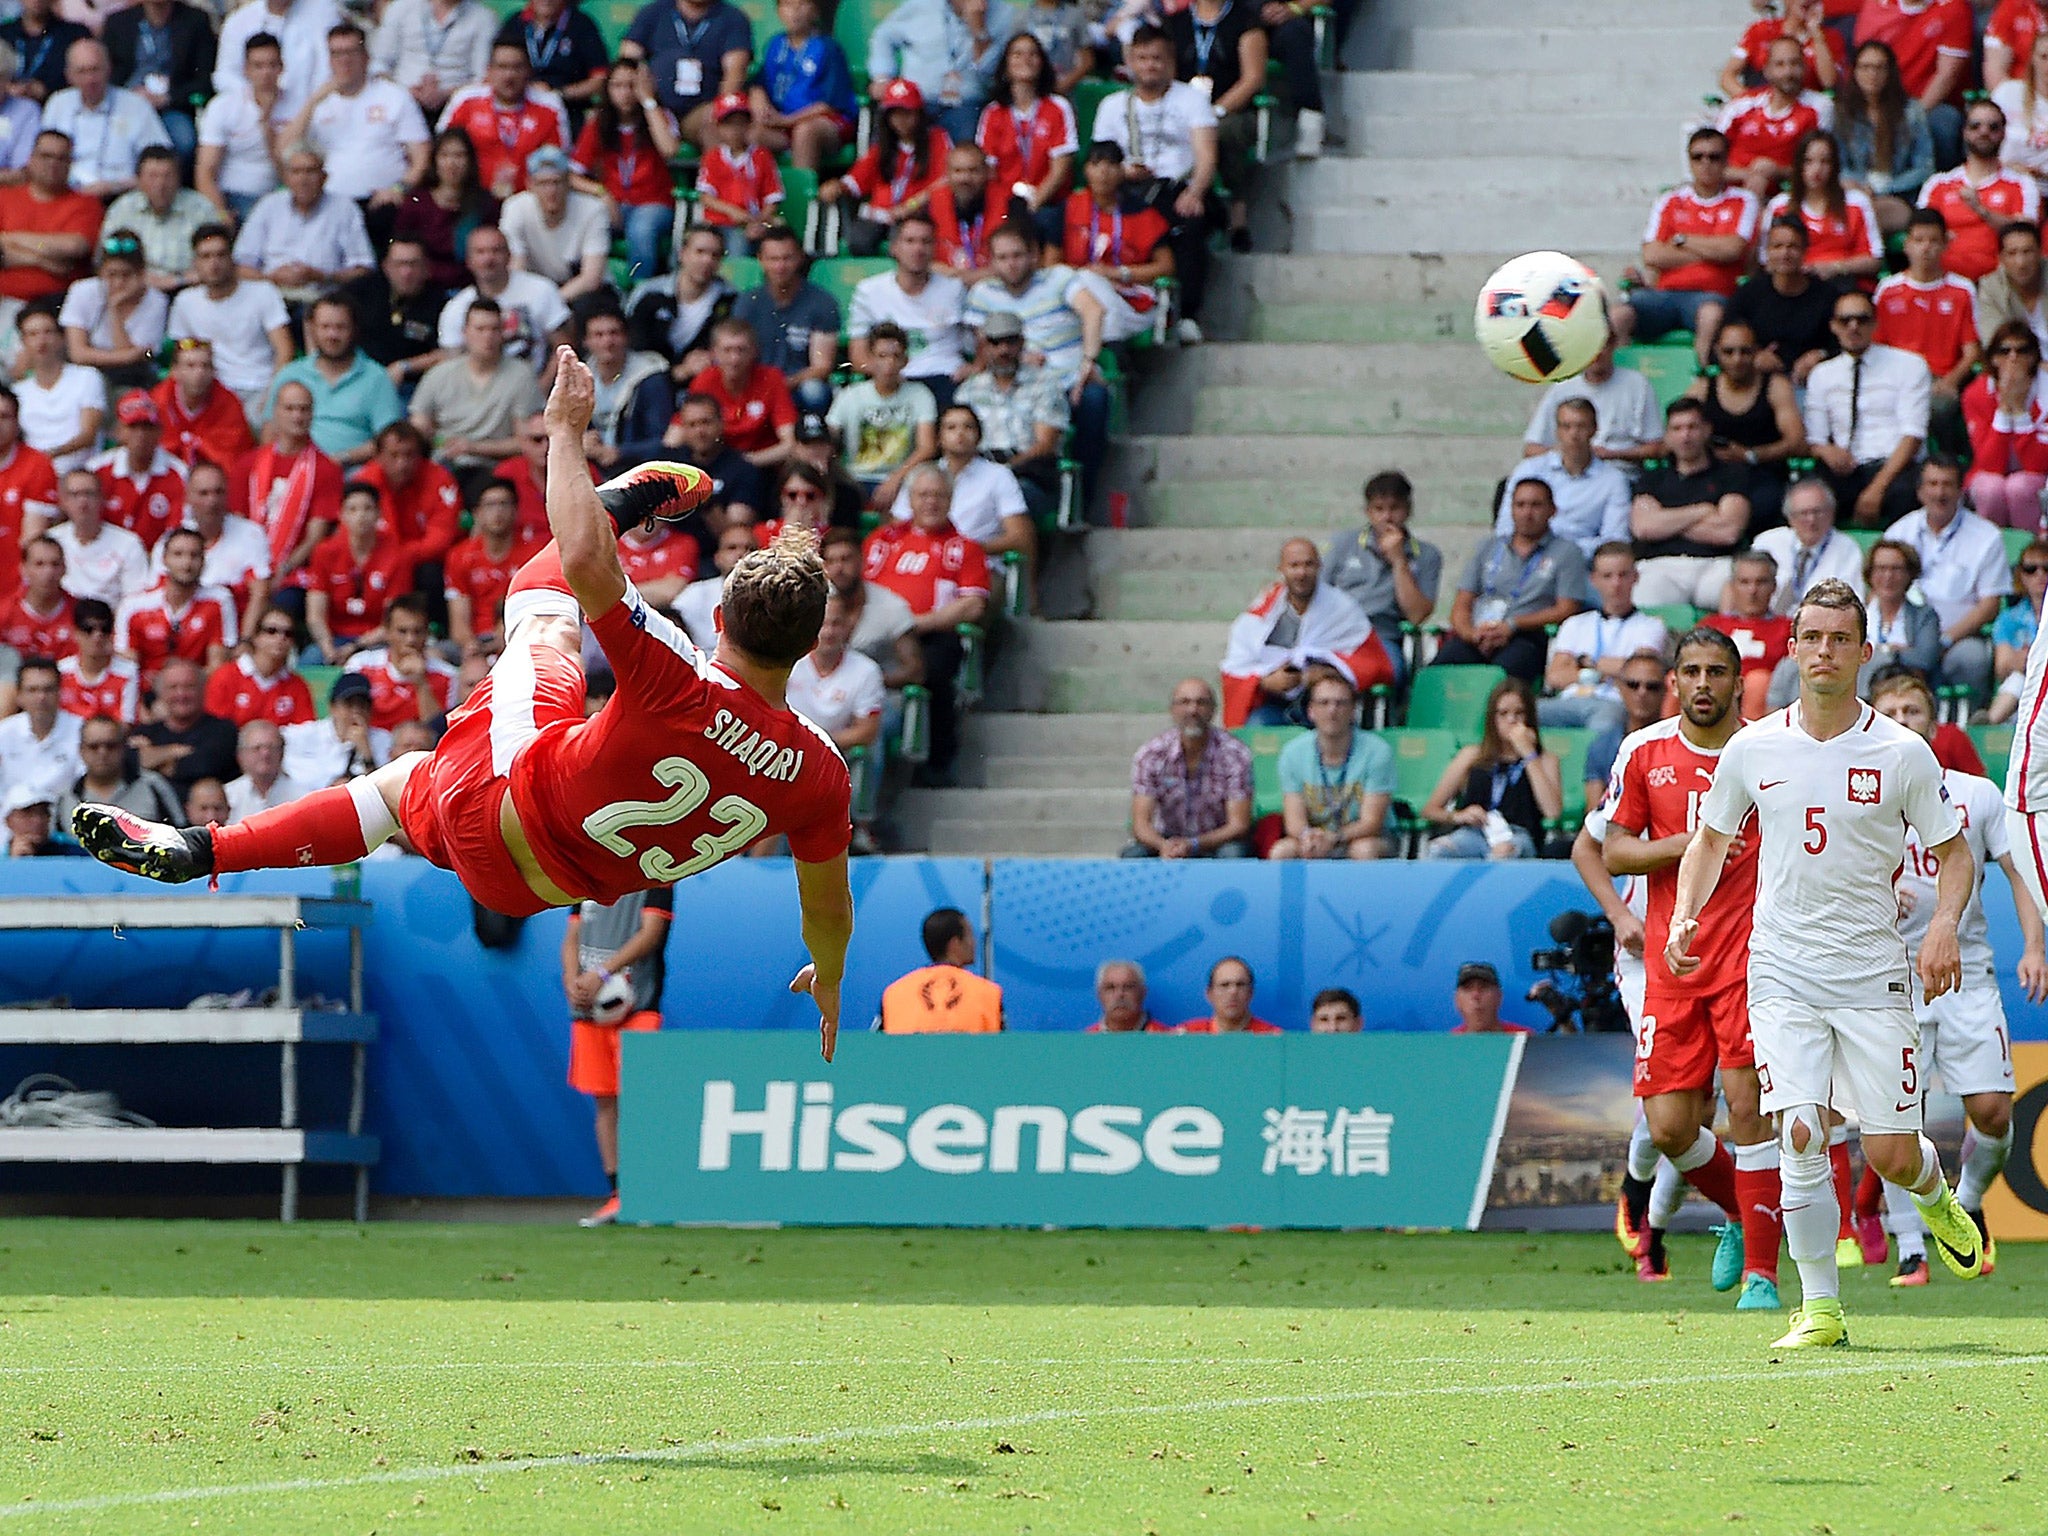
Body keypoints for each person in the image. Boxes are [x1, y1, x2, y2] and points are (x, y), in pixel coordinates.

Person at [76, 360, 857, 1058]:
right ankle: (199, 849)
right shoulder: (823, 772)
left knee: (540, 597)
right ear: (810, 641)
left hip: (503, 796)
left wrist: (565, 433)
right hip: (529, 890)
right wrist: (827, 974)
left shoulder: (680, 677)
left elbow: (579, 560)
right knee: (398, 783)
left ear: (718, 617)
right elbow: (826, 906)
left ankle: (622, 497)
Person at [1671, 578, 1985, 1349]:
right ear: (1791, 648)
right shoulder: (1753, 747)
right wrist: (1685, 912)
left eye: (1839, 639)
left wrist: (1945, 922)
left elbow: (1953, 853)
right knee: (1803, 1134)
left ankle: (1936, 1194)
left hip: (1872, 971)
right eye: (1811, 637)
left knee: (1889, 1150)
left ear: (1863, 652)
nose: (1823, 651)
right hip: (1780, 968)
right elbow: (1711, 840)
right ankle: (1821, 1310)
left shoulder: (1902, 752)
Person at [1592, 624, 1780, 1307]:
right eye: (1691, 672)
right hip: (1674, 962)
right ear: (1676, 681)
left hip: (1751, 962)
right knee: (1671, 1127)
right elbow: (1613, 851)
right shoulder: (1644, 751)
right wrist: (1690, 844)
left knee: (1747, 1110)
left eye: (1716, 672)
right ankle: (1744, 1210)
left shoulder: (1768, 749)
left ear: (1738, 682)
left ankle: (1762, 1274)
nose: (1703, 684)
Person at [1872, 670, 2045, 1282]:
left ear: (1932, 722)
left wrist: (2033, 944)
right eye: (1890, 711)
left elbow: (2019, 869)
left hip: (1968, 974)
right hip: (1889, 981)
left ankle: (1966, 1205)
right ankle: (1912, 1248)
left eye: (1913, 710)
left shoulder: (1976, 795)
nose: (1903, 721)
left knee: (1995, 1114)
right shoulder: (1860, 799)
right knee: (1895, 1118)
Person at [1087, 23, 1219, 338]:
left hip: (1177, 188)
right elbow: (1099, 159)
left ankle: (1187, 313)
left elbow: (1207, 156)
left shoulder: (1191, 100)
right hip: (1126, 188)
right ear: (1130, 62)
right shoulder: (1113, 106)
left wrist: (1196, 192)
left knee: (1190, 221)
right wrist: (1124, 173)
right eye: (1143, 58)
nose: (1150, 65)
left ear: (1170, 62)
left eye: (1157, 58)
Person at [860, 463, 985, 779]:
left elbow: (972, 605)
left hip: (930, 634)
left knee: (935, 667)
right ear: (910, 499)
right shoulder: (881, 541)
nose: (931, 502)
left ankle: (936, 763)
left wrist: (914, 624)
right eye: (923, 495)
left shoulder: (963, 548)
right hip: (872, 632)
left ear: (951, 499)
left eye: (939, 495)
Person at [561, 880, 673, 1225]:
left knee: (640, 1098)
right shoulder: (587, 873)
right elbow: (572, 935)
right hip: (590, 1011)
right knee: (604, 1099)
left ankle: (649, 1193)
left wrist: (602, 973)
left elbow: (651, 933)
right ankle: (617, 1195)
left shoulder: (658, 873)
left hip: (637, 1003)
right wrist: (571, 981)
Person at [1618, 127, 1758, 366]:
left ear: (1726, 160)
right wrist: (1712, 253)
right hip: (1664, 295)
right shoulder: (1669, 201)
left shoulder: (1743, 200)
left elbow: (1733, 250)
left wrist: (1684, 241)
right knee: (1617, 317)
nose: (1706, 163)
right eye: (1698, 157)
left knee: (1711, 315)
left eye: (1714, 157)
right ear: (1689, 161)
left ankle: (1701, 380)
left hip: (1712, 297)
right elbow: (1652, 255)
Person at [1220, 538, 1392, 727]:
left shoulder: (1342, 608)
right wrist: (1265, 681)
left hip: (1327, 706)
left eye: (1308, 565)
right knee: (1257, 727)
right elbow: (1238, 664)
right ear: (1281, 569)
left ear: (1319, 567)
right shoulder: (1265, 610)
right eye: (1294, 566)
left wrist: (1326, 673)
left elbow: (1372, 663)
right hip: (1274, 705)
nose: (1301, 573)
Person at [1435, 478, 1591, 684]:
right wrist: (1472, 634)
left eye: (1536, 505)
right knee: (1438, 672)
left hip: (1527, 635)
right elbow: (1462, 604)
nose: (1527, 513)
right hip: (1479, 634)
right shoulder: (1487, 547)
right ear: (1511, 509)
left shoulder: (1567, 552)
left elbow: (1567, 608)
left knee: (1502, 677)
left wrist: (1513, 625)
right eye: (1520, 505)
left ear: (1552, 510)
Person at [1884, 456, 2011, 704]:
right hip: (1904, 637)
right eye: (1932, 484)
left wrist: (1944, 640)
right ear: (1920, 491)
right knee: (1878, 658)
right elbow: (1879, 591)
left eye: (1947, 484)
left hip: (1957, 638)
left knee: (1972, 658)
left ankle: (1966, 727)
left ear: (1960, 490)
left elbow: (1989, 606)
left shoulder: (1987, 537)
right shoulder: (1899, 532)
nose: (1939, 493)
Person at [1802, 288, 1930, 527]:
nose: (1853, 326)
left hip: (1895, 467)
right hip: (1845, 467)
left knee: (1908, 494)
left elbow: (1913, 436)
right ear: (1833, 326)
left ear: (1875, 324)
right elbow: (1815, 439)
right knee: (1809, 497)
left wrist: (1876, 489)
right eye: (1845, 320)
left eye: (1862, 319)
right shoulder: (1822, 374)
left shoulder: (1909, 365)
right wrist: (1826, 451)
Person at [287, 21, 432, 216]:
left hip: (382, 202)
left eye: (351, 52)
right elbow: (284, 149)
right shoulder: (318, 101)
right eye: (337, 53)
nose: (344, 60)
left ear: (366, 57)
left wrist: (399, 189)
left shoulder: (394, 96)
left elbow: (421, 158)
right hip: (329, 202)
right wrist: (313, 102)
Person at [1681, 318, 1805, 528]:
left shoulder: (1775, 386)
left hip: (1763, 477)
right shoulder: (1701, 389)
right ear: (1717, 352)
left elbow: (1797, 442)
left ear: (1757, 351)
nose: (1737, 359)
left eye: (1745, 351)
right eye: (1729, 352)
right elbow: (1676, 434)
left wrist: (1750, 455)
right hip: (1713, 476)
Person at [1318, 470, 1438, 685]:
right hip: (1337, 632)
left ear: (1408, 510)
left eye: (1395, 508)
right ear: (1368, 512)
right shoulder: (1341, 544)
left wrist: (1399, 560)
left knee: (1391, 672)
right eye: (1379, 509)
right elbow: (1316, 593)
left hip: (1382, 637)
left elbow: (1417, 615)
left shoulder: (1428, 555)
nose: (1387, 517)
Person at [1631, 398, 1753, 610]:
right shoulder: (1652, 478)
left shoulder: (1732, 474)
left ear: (1707, 430)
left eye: (1692, 427)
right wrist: (1703, 511)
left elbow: (1729, 531)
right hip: (1661, 566)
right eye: (1677, 428)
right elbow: (1643, 528)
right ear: (1667, 435)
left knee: (1736, 592)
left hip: (1714, 564)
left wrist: (1667, 523)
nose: (1685, 436)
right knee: (1643, 595)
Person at [231, 379, 339, 614]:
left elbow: (315, 537)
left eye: (304, 409)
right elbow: (236, 523)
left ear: (312, 414)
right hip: (246, 565)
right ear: (275, 413)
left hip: (292, 573)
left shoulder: (326, 469)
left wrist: (282, 569)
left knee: (281, 604)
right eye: (290, 408)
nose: (297, 416)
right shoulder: (247, 464)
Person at [1420, 677, 1559, 861]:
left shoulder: (1545, 760)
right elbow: (1430, 810)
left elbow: (1553, 811)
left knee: (1502, 854)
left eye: (1519, 713)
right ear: (1492, 718)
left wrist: (1528, 754)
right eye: (1503, 714)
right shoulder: (1472, 755)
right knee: (1439, 849)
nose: (1512, 720)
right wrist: (1459, 816)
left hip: (1517, 833)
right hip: (1476, 831)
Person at [571, 59, 682, 286]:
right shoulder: (598, 124)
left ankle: (639, 292)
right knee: (587, 220)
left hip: (653, 203)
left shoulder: (660, 116)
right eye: (617, 86)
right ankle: (596, 287)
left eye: (632, 86)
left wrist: (648, 101)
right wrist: (600, 192)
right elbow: (572, 175)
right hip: (612, 201)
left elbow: (670, 149)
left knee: (641, 230)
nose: (625, 93)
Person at [412, 300, 548, 484]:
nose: (488, 336)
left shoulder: (521, 376)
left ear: (503, 333)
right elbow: (418, 426)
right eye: (480, 329)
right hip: (444, 465)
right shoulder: (439, 374)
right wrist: (438, 442)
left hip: (497, 469)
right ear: (465, 332)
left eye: (494, 329)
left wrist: (473, 448)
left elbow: (525, 441)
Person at [1539, 542, 1667, 736]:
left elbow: (1638, 672)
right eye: (1607, 576)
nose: (1616, 584)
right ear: (1594, 580)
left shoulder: (1650, 626)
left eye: (1623, 575)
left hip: (1614, 702)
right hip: (1569, 701)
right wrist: (1601, 672)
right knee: (1522, 712)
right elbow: (1555, 676)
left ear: (1635, 577)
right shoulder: (1575, 624)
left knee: (1605, 721)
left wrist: (1582, 663)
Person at [167, 224, 295, 418]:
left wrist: (270, 396)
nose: (214, 263)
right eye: (206, 257)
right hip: (210, 391)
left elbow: (285, 350)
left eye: (220, 255)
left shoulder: (263, 292)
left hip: (259, 387)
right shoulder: (185, 302)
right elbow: (180, 355)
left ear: (232, 259)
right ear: (195, 263)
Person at [848, 212, 972, 410]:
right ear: (894, 247)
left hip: (946, 377)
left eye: (926, 242)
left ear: (934, 248)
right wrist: (889, 374)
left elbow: (979, 340)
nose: (918, 249)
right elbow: (858, 357)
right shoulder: (870, 291)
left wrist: (973, 368)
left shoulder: (954, 289)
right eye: (910, 241)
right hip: (894, 381)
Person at [230, 140, 375, 305]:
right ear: (286, 178)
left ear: (324, 177)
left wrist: (322, 276)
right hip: (271, 297)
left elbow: (363, 269)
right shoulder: (268, 206)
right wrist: (271, 278)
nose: (303, 179)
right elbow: (240, 267)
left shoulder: (345, 209)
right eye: (296, 172)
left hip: (323, 300)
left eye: (310, 171)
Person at [820, 77, 952, 258]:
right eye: (894, 114)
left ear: (919, 114)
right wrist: (837, 186)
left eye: (907, 113)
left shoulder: (938, 139)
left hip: (916, 215)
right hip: (880, 215)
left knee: (901, 242)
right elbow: (857, 178)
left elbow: (945, 181)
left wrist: (911, 205)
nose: (901, 120)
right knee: (858, 240)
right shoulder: (883, 146)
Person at [265, 296, 404, 468]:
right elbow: (270, 431)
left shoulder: (377, 378)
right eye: (325, 327)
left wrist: (338, 460)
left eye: (341, 327)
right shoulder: (290, 374)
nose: (332, 335)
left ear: (355, 329)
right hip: (293, 469)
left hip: (352, 473)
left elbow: (389, 441)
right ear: (312, 329)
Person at [1268, 671, 1393, 861]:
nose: (1332, 710)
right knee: (1281, 851)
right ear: (1311, 711)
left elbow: (1371, 823)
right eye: (1324, 703)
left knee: (1363, 850)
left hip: (1364, 837)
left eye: (1341, 703)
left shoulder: (1377, 751)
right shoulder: (1293, 753)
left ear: (1353, 711)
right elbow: (1294, 822)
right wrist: (1308, 838)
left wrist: (1334, 838)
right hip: (1314, 838)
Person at [1123, 676, 1250, 859]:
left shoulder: (1235, 754)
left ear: (1213, 709)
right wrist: (1163, 846)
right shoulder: (1151, 754)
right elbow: (1140, 824)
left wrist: (1194, 844)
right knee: (1133, 856)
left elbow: (1238, 824)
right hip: (1167, 839)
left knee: (1234, 854)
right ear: (1172, 710)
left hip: (1216, 841)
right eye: (1184, 702)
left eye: (1201, 703)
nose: (1193, 710)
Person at [887, 404, 1030, 567]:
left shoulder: (999, 475)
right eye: (951, 428)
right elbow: (898, 527)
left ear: (979, 436)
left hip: (979, 563)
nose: (960, 434)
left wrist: (965, 550)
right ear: (939, 438)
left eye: (968, 427)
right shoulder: (922, 475)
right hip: (923, 562)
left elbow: (1019, 536)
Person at [1918, 99, 2038, 283]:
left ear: (2004, 133)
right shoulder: (1938, 183)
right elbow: (1920, 232)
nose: (1984, 132)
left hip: (2002, 281)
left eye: (1993, 127)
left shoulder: (2022, 183)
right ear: (1964, 132)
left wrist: (1981, 210)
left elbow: (2026, 234)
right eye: (1975, 126)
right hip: (1943, 282)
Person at [864, 0, 1015, 144]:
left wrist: (979, 31)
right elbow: (883, 35)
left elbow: (991, 74)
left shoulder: (1004, 14)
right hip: (918, 99)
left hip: (967, 104)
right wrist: (882, 76)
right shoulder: (921, 6)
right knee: (889, 137)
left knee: (966, 154)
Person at [1498, 398, 1632, 561]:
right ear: (1557, 431)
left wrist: (1562, 552)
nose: (1573, 434)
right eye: (1566, 426)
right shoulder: (1529, 470)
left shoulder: (1614, 480)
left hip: (1583, 565)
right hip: (1526, 561)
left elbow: (1615, 541)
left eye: (1581, 426)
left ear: (1594, 429)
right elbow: (1504, 528)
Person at [437, 225, 574, 381]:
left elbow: (563, 347)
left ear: (509, 255)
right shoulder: (456, 308)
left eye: (496, 250)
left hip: (533, 388)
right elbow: (452, 360)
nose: (489, 259)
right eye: (480, 252)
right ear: (469, 260)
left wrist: (541, 391)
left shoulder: (541, 290)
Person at [437, 39, 570, 200]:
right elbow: (443, 150)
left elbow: (557, 161)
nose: (509, 75)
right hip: (471, 201)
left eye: (517, 68)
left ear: (529, 71)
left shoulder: (549, 105)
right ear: (489, 71)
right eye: (502, 67)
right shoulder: (465, 100)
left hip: (529, 201)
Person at [976, 30, 1075, 242]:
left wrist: (1032, 205)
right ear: (1006, 64)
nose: (1026, 60)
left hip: (1048, 203)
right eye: (1017, 54)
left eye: (1033, 54)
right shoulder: (993, 113)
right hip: (1005, 204)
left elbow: (1059, 170)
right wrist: (1007, 207)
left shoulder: (1058, 107)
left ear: (1042, 62)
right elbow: (989, 171)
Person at [826, 320, 935, 509]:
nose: (889, 363)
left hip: (903, 479)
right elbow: (829, 436)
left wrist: (896, 479)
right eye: (882, 356)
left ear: (905, 360)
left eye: (896, 356)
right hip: (855, 478)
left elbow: (926, 447)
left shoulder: (920, 394)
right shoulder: (851, 395)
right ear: (870, 358)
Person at [730, 227, 839, 415]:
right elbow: (736, 353)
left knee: (814, 392)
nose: (780, 266)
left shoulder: (821, 301)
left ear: (800, 258)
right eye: (773, 259)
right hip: (755, 383)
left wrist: (783, 385)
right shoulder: (748, 302)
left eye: (787, 258)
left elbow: (822, 366)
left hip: (798, 384)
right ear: (761, 260)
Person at [41, 38, 169, 198]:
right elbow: (41, 160)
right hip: (65, 196)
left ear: (108, 69)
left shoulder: (136, 106)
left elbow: (162, 163)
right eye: (81, 71)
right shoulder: (58, 103)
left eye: (95, 70)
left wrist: (115, 187)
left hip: (121, 196)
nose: (89, 79)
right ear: (69, 75)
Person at [618, 0, 752, 150]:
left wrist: (718, 110)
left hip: (700, 110)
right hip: (657, 106)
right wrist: (647, 97)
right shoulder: (652, 12)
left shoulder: (732, 17)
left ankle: (717, 172)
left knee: (717, 123)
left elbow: (734, 73)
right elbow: (626, 62)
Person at [304, 481, 414, 665]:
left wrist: (356, 647)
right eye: (352, 509)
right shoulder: (324, 552)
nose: (361, 516)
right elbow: (315, 614)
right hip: (335, 639)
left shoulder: (398, 555)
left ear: (379, 513)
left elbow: (394, 620)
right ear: (341, 514)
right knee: (309, 660)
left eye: (368, 508)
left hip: (377, 641)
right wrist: (328, 648)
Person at [1723, 217, 1841, 388]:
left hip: (1811, 381)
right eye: (1777, 246)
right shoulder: (1749, 293)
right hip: (1758, 382)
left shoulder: (1827, 296)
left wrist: (1821, 355)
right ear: (1768, 251)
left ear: (1804, 251)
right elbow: (1723, 340)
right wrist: (1754, 356)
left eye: (1792, 246)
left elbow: (1841, 344)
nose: (1785, 254)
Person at [1854, 0, 1971, 169]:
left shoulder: (1953, 7)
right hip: (1879, 100)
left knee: (1944, 121)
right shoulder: (1877, 5)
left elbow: (1947, 75)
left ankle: (1938, 187)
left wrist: (1913, 115)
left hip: (1927, 104)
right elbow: (1865, 62)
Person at [1519, 332, 1663, 468]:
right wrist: (1570, 454)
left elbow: (1658, 448)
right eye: (1589, 346)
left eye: (1602, 345)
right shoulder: (1562, 387)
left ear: (1613, 345)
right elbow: (1531, 449)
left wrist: (1612, 455)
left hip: (1622, 472)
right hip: (1568, 475)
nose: (1596, 353)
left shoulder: (1637, 384)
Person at [1761, 129, 1883, 289]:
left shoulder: (1857, 202)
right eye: (1808, 161)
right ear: (1798, 165)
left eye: (1825, 161)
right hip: (1795, 285)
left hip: (1844, 284)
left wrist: (1835, 267)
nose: (1817, 169)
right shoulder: (1779, 205)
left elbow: (1874, 259)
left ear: (1835, 166)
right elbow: (1766, 261)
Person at [1835, 40, 1932, 235]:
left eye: (1880, 68)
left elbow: (1925, 166)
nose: (1872, 74)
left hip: (1898, 196)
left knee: (1870, 214)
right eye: (1866, 67)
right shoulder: (1842, 113)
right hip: (1854, 194)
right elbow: (1838, 164)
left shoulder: (1911, 111)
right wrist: (1860, 185)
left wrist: (1886, 186)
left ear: (1890, 72)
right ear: (1855, 71)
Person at [116, 526, 235, 684]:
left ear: (203, 561)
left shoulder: (219, 601)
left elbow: (218, 666)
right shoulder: (134, 607)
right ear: (164, 559)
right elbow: (126, 667)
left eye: (194, 555)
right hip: (146, 694)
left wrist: (175, 679)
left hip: (196, 693)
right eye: (178, 554)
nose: (186, 563)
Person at [196, 31, 293, 222]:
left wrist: (267, 125)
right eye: (258, 66)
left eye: (272, 65)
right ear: (246, 69)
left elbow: (290, 171)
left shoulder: (295, 107)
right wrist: (222, 213)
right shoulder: (224, 106)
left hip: (278, 196)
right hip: (232, 196)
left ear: (281, 68)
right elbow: (205, 172)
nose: (266, 73)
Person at [748, 0, 855, 172]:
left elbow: (830, 105)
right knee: (751, 134)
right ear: (779, 11)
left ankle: (803, 195)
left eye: (802, 5)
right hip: (782, 123)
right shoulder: (775, 44)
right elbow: (757, 83)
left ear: (815, 11)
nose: (795, 12)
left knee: (805, 132)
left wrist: (787, 121)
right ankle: (759, 195)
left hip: (823, 123)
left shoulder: (828, 48)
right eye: (788, 5)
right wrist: (758, 99)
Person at [627, 226, 737, 392]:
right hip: (646, 383)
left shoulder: (730, 300)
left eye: (715, 255)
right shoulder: (648, 293)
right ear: (682, 254)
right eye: (700, 252)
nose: (707, 260)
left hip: (701, 387)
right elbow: (632, 346)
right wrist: (676, 371)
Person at [502, 145, 611, 309]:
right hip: (535, 288)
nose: (551, 191)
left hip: (582, 291)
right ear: (530, 185)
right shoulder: (515, 207)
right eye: (543, 183)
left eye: (557, 182)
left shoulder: (593, 209)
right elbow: (516, 265)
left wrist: (549, 303)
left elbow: (591, 277)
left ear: (568, 182)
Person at [60, 231, 166, 397]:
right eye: (111, 274)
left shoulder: (156, 301)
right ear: (100, 272)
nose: (118, 283)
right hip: (87, 373)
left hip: (132, 377)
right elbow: (77, 353)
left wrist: (115, 310)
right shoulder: (81, 290)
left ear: (141, 274)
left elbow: (144, 356)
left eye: (126, 275)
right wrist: (127, 356)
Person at [1963, 319, 2048, 527]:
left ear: (2033, 356)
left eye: (2022, 350)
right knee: (1990, 488)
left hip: (2039, 477)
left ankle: (2033, 549)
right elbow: (1989, 464)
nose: (2013, 357)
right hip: (1992, 474)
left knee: (2019, 487)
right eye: (2004, 351)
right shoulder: (1977, 393)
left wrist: (2019, 410)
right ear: (1992, 358)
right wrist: (2004, 409)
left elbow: (2038, 465)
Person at [394, 129, 498, 294]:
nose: (452, 163)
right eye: (445, 155)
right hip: (424, 289)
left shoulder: (484, 204)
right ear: (435, 160)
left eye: (459, 155)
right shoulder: (416, 202)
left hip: (472, 287)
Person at [0, 131, 98, 304]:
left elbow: (72, 247)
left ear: (70, 163)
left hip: (56, 304)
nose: (53, 164)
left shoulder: (86, 204)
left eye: (61, 158)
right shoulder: (4, 197)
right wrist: (39, 259)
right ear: (31, 159)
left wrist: (7, 238)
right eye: (46, 156)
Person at [684, 317, 797, 468]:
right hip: (715, 464)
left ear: (754, 352)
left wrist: (742, 464)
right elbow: (683, 430)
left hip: (761, 465)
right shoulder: (704, 380)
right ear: (714, 353)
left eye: (741, 350)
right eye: (727, 350)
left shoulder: (771, 378)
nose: (734, 359)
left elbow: (791, 443)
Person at [101, 146, 210, 294]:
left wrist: (179, 280)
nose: (160, 184)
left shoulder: (201, 208)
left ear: (179, 178)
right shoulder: (122, 209)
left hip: (188, 288)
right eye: (153, 176)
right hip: (134, 289)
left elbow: (214, 257)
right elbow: (106, 257)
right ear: (138, 179)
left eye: (167, 176)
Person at [345, 240, 448, 395]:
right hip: (359, 379)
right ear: (386, 267)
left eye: (413, 264)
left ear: (427, 267)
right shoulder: (361, 291)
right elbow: (316, 315)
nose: (406, 272)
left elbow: (450, 353)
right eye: (399, 264)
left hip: (412, 386)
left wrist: (405, 366)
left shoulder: (441, 303)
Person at [129, 655, 237, 801]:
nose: (181, 694)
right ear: (160, 693)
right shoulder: (145, 732)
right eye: (173, 687)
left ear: (203, 690)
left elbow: (202, 767)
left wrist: (155, 757)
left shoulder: (223, 730)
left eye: (189, 687)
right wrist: (175, 751)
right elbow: (132, 764)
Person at [580, 307, 674, 476]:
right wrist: (580, 442)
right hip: (592, 469)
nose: (607, 342)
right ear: (586, 341)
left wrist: (620, 452)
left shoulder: (650, 377)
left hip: (636, 471)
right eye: (598, 335)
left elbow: (663, 440)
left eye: (614, 333)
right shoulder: (579, 377)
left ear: (626, 337)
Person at [878, 907, 1003, 1032]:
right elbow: (1005, 1048)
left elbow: (874, 1047)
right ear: (955, 943)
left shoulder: (894, 994)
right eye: (970, 935)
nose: (974, 943)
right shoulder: (988, 993)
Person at [212, 0, 341, 120]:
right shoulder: (239, 21)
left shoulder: (324, 13)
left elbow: (328, 71)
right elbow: (225, 75)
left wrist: (308, 110)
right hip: (253, 119)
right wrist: (258, 101)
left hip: (311, 117)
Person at [13, 302, 103, 474]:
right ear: (23, 342)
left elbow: (88, 435)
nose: (41, 341)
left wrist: (47, 457)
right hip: (33, 477)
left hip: (81, 474)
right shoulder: (18, 392)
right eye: (32, 334)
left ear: (61, 337)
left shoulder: (87, 376)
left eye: (47, 332)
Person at [371, 0, 495, 124]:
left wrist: (447, 94)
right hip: (402, 100)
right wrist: (404, 92)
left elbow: (483, 76)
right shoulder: (401, 8)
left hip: (456, 104)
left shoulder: (483, 18)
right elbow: (379, 64)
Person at [55, 710, 181, 831]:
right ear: (81, 751)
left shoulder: (154, 787)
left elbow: (181, 836)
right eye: (94, 747)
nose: (102, 753)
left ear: (123, 748)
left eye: (111, 746)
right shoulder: (65, 799)